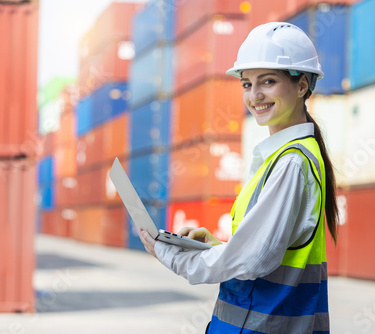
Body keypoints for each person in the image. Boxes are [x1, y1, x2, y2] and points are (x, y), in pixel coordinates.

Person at [139, 22, 339, 334]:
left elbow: (252, 261)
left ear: (301, 86)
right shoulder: (287, 156)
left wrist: (172, 255)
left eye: (268, 81)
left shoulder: (292, 162)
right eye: (246, 84)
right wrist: (215, 246)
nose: (255, 95)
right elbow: (266, 251)